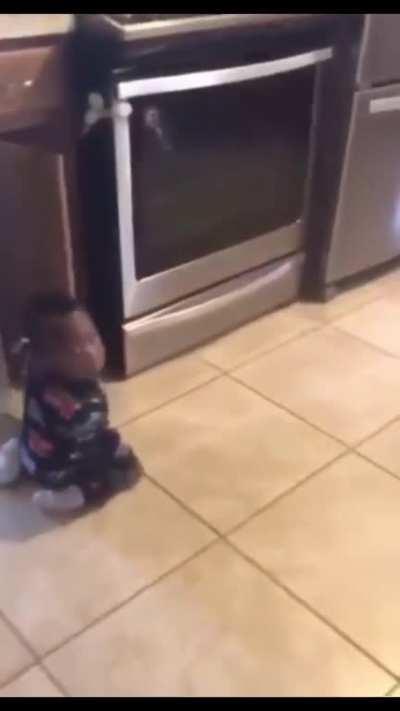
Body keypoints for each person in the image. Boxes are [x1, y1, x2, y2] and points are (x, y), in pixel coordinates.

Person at [0, 292, 138, 513]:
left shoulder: (36, 375)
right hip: (59, 470)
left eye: (94, 337)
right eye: (89, 341)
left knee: (25, 439)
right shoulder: (81, 404)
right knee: (107, 469)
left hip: (33, 450)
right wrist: (111, 445)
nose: (98, 346)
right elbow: (89, 439)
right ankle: (69, 495)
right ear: (54, 359)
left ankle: (12, 459)